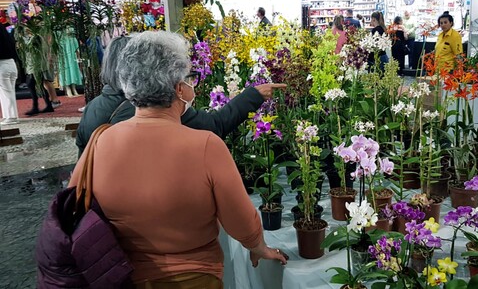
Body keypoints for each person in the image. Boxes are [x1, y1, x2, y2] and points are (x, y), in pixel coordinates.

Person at [68, 31, 288, 288]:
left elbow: (72, 205)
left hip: (119, 275)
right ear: (178, 88)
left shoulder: (100, 142)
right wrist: (259, 247)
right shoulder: (204, 145)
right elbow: (240, 219)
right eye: (189, 77)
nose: (191, 84)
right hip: (192, 277)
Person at [75, 36, 285, 157]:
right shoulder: (160, 106)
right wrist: (253, 95)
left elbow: (83, 159)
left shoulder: (92, 108)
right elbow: (215, 125)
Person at [0, 24, 19, 125]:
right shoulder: (7, 35)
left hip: (2, 64)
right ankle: (9, 115)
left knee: (6, 92)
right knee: (9, 91)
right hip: (11, 63)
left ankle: (11, 117)